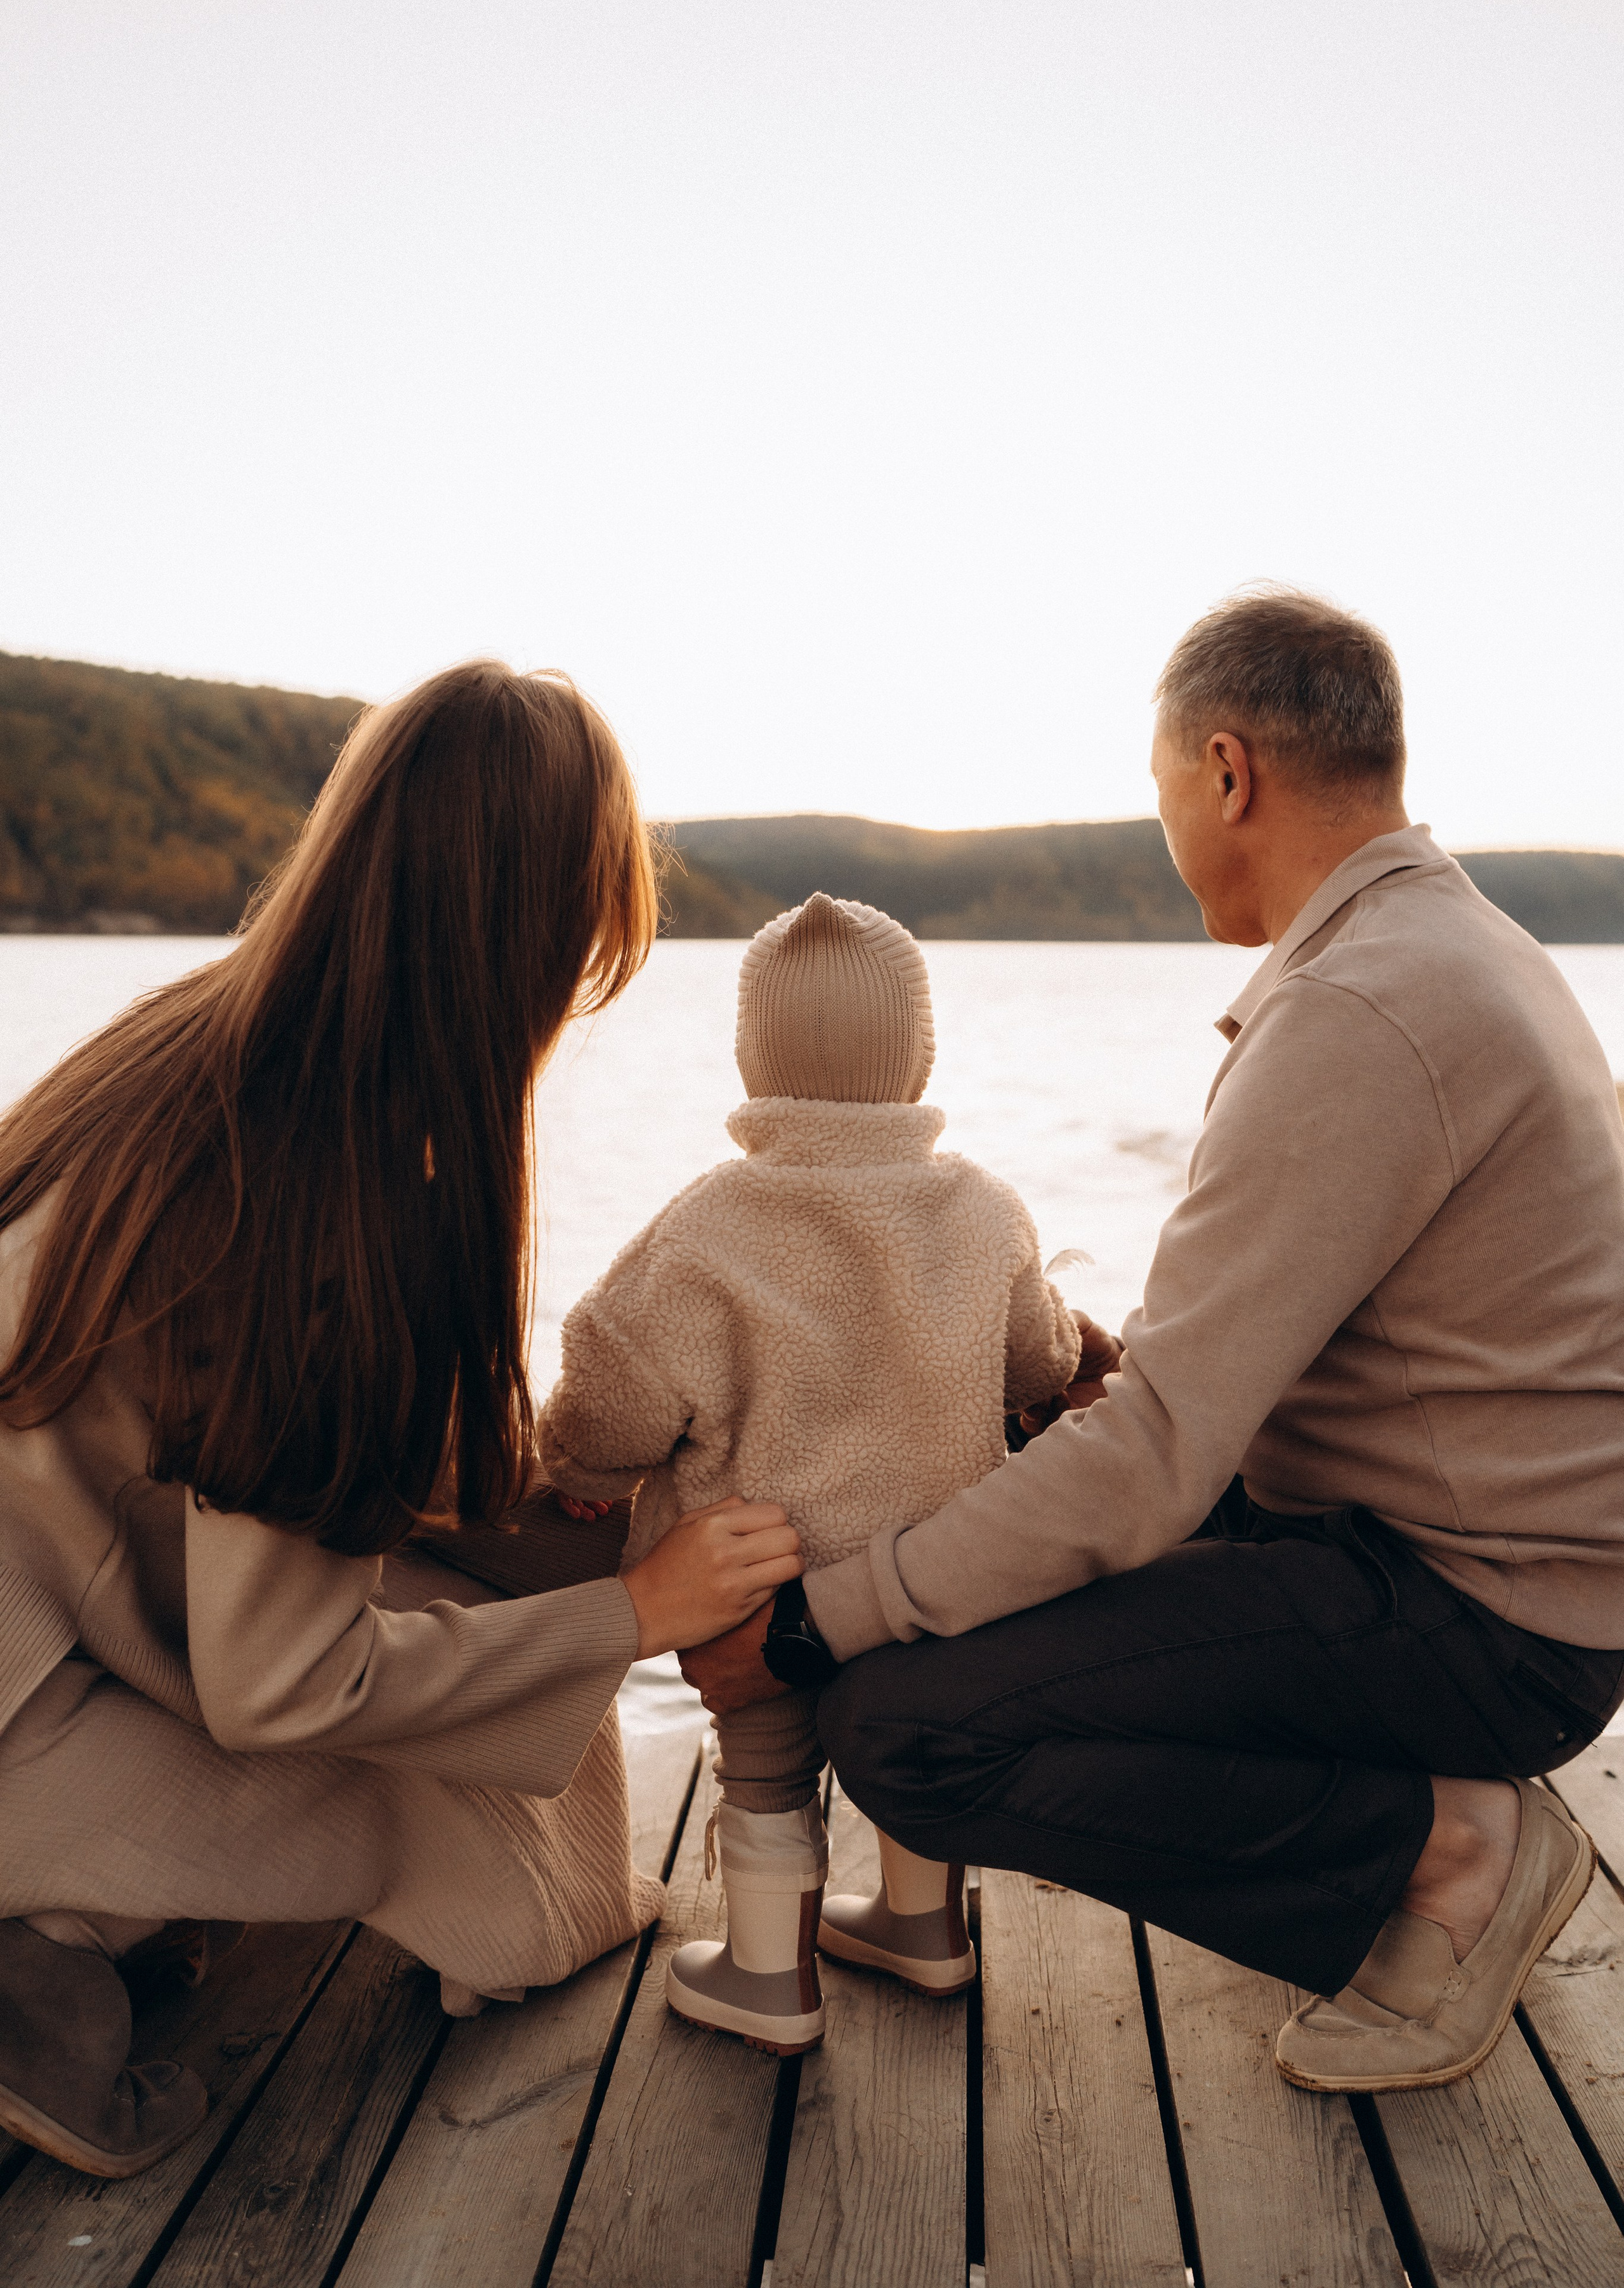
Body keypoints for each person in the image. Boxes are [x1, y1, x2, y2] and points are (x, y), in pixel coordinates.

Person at [683, 587, 1624, 2095]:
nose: (1167, 825)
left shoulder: (1357, 1009)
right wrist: (1133, 1393)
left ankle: (1450, 1852)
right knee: (1008, 1530)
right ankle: (1422, 1827)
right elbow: (1363, 1360)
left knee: (902, 1723)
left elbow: (1150, 1469)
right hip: (1493, 1562)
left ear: (1226, 772)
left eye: (1163, 788)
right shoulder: (1456, 946)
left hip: (1481, 1618)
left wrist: (806, 1626)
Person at [0, 662, 802, 2179]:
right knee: (512, 1869)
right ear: (529, 941)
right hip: (22, 1717)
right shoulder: (314, 1190)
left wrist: (556, 1513)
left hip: (40, 1637)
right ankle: (41, 1949)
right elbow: (283, 1685)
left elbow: (231, 1475)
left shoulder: (202, 1051)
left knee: (493, 1712)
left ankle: (81, 1914)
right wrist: (636, 1610)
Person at [542, 892, 1080, 2049]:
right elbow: (1039, 1358)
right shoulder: (983, 1209)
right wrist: (1074, 1347)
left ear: (750, 1056)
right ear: (921, 1053)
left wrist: (579, 1463)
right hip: (936, 1582)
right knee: (917, 1740)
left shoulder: (707, 1226)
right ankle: (924, 1929)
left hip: (761, 1590)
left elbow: (615, 1382)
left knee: (767, 1770)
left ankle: (766, 1977)